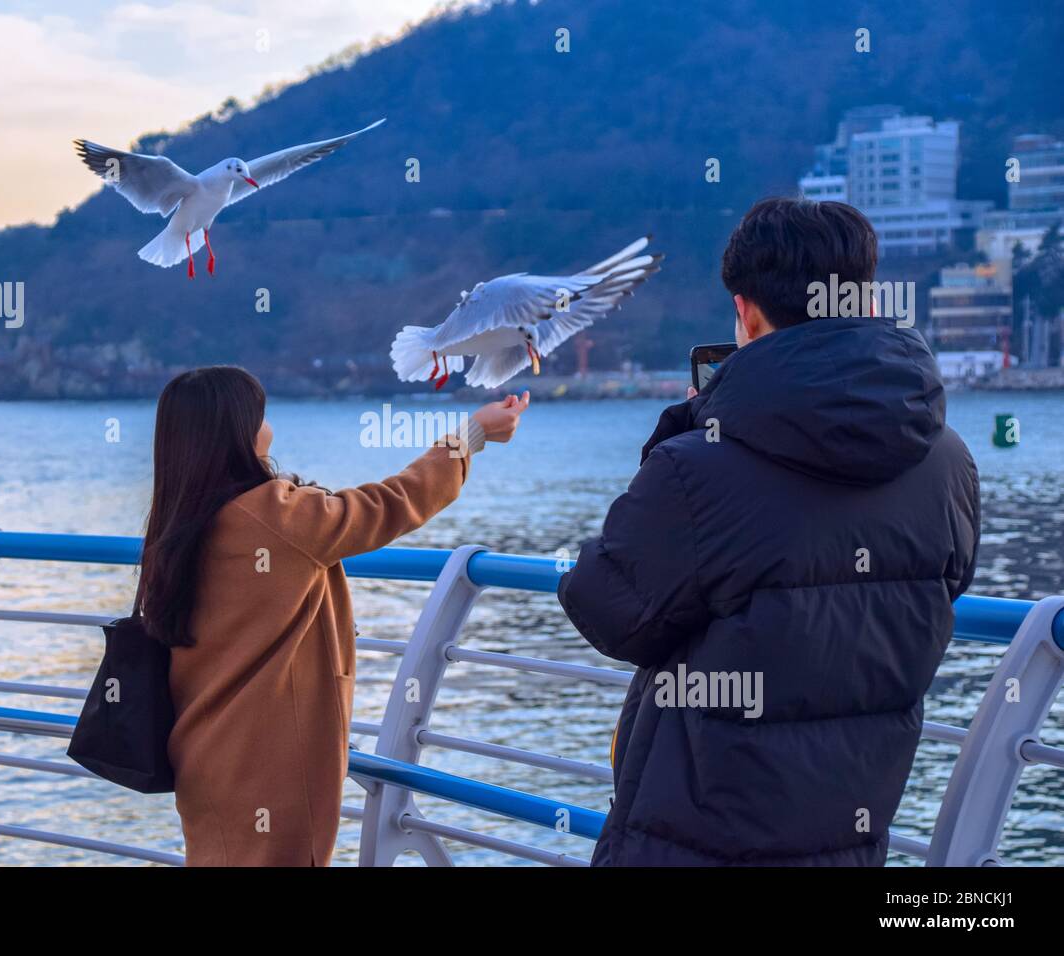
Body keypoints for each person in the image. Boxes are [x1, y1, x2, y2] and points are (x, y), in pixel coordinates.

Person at [558, 197, 980, 866]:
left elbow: (606, 607)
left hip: (692, 842)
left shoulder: (696, 467)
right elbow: (944, 587)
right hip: (851, 836)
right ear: (864, 299)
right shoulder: (949, 460)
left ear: (745, 311)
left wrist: (677, 442)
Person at [140, 366, 528, 866]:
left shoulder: (176, 523)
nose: (269, 428)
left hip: (200, 753)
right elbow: (393, 503)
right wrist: (470, 437)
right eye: (261, 416)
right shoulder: (275, 516)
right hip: (267, 761)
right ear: (238, 431)